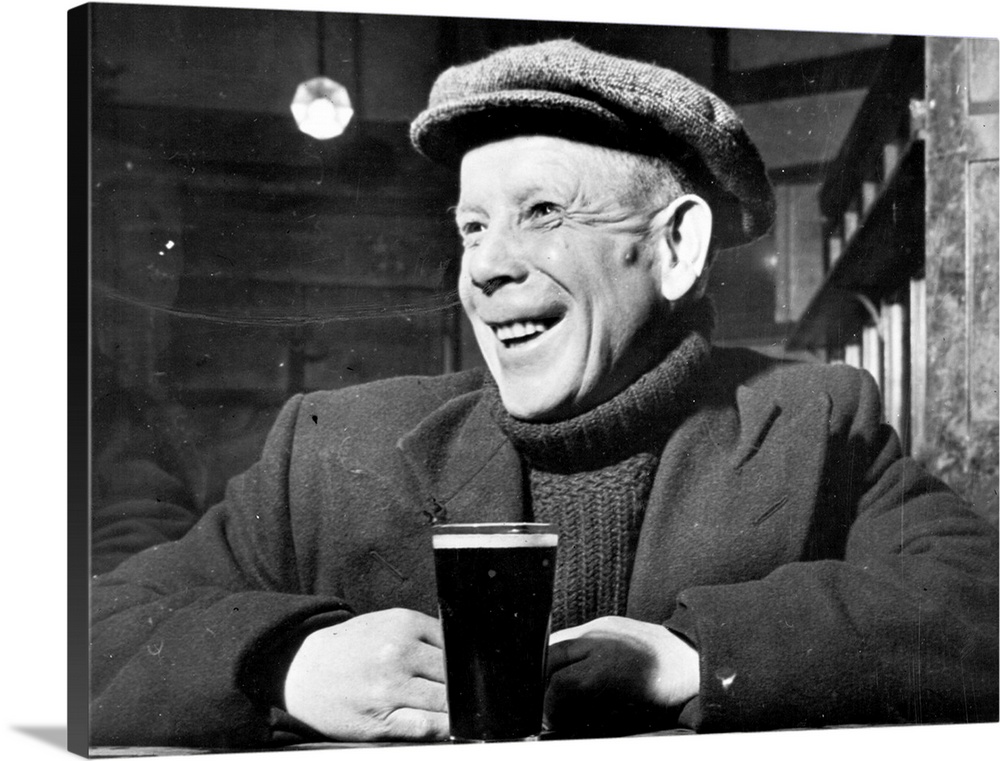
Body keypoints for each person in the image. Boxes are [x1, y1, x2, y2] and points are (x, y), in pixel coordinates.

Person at [89, 40, 999, 748]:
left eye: (542, 214)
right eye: (472, 226)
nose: (484, 266)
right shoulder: (334, 447)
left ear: (677, 247)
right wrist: (284, 662)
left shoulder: (815, 423)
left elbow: (981, 605)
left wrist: (683, 656)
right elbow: (85, 634)